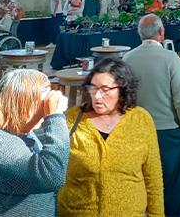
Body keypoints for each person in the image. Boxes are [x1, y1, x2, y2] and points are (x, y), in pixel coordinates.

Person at [58, 58, 163, 216]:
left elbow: (153, 178)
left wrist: (157, 214)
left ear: (122, 90)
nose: (97, 96)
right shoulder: (72, 119)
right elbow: (54, 171)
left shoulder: (141, 120)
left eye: (105, 89)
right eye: (93, 88)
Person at [0, 70, 69, 217]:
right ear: (23, 103)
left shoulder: (21, 131)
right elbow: (51, 176)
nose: (46, 108)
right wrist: (55, 116)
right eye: (44, 102)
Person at [122, 14, 180, 216]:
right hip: (168, 133)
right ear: (162, 33)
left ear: (139, 34)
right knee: (171, 184)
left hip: (137, 132)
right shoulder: (171, 58)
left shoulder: (127, 58)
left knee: (141, 181)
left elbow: (124, 99)